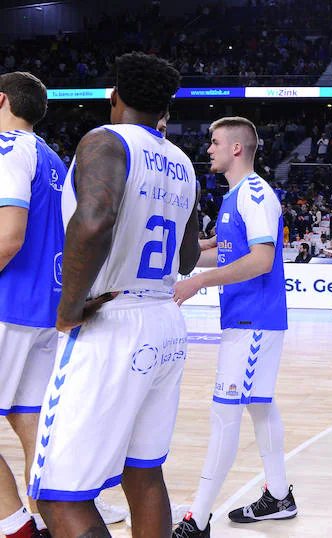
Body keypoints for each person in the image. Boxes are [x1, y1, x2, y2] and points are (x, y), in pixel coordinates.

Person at [29, 52, 200, 538]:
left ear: (114, 95)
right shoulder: (182, 162)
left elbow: (94, 220)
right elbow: (186, 258)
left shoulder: (105, 141)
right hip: (164, 320)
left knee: (58, 497)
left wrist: (68, 310)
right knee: (144, 474)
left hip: (111, 322)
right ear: (165, 107)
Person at [170, 117, 295, 537]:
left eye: (215, 142)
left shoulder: (255, 194)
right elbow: (221, 258)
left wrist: (199, 282)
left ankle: (198, 519)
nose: (209, 149)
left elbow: (261, 260)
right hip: (247, 320)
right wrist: (176, 267)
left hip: (254, 320)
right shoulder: (234, 197)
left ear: (237, 149)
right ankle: (279, 496)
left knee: (224, 415)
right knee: (260, 406)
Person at [0, 71, 69, 538]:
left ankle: (16, 527)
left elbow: (9, 236)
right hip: (45, 311)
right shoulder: (52, 158)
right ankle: (48, 521)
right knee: (30, 421)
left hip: (7, 306)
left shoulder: (7, 147)